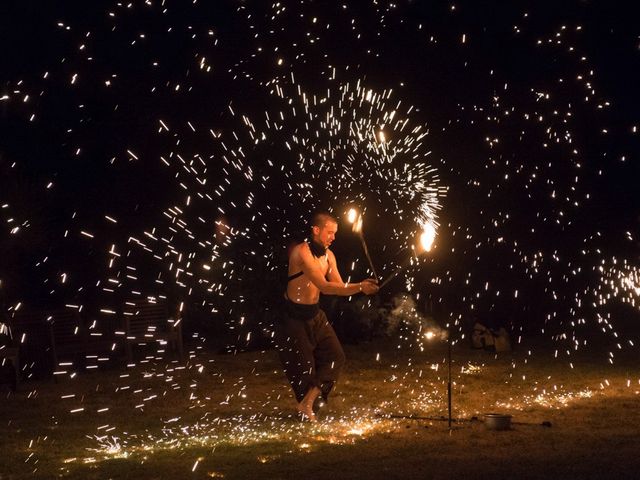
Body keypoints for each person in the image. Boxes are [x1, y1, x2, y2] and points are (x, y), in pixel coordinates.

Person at [275, 210, 379, 422]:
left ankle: (308, 403)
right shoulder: (301, 252)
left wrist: (362, 287)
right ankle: (306, 406)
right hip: (294, 317)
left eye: (335, 233)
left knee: (336, 357)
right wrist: (360, 287)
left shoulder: (329, 256)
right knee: (304, 371)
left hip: (315, 315)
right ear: (316, 230)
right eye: (329, 232)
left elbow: (339, 286)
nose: (333, 237)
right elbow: (324, 286)